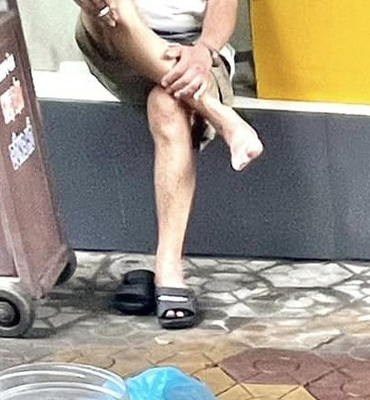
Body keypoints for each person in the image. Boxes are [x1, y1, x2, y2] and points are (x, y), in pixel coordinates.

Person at [74, 0, 263, 329]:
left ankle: (168, 267)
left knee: (167, 107)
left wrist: (204, 51)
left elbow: (223, 6)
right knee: (112, 8)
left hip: (192, 49)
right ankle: (221, 116)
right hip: (114, 39)